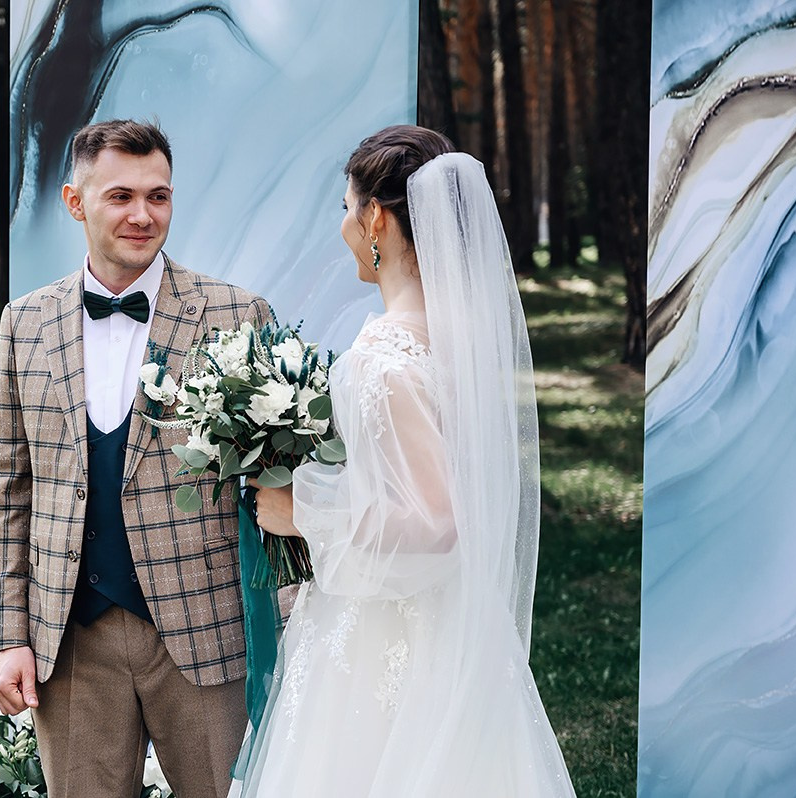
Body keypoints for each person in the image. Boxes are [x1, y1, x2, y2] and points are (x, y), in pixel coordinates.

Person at [230, 126, 577, 796]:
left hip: (385, 637)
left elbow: (437, 521)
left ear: (376, 220)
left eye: (346, 208)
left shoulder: (385, 360)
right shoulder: (454, 339)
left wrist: (302, 512)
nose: (343, 226)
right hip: (451, 617)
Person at [0, 119, 271, 798]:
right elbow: (6, 487)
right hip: (69, 640)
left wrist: (283, 622)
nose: (143, 215)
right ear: (75, 201)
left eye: (158, 196)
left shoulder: (237, 315)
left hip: (205, 629)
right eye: (120, 196)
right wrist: (8, 636)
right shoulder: (25, 323)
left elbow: (271, 485)